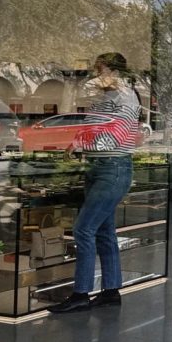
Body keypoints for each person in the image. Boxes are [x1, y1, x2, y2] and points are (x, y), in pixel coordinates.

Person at [48, 52, 140, 314]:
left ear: (114, 71)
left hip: (113, 167)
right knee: (103, 231)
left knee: (84, 229)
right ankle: (111, 291)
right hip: (96, 166)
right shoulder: (104, 98)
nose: (96, 76)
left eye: (100, 70)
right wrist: (77, 142)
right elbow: (91, 127)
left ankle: (81, 293)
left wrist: (81, 144)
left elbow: (117, 134)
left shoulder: (126, 97)